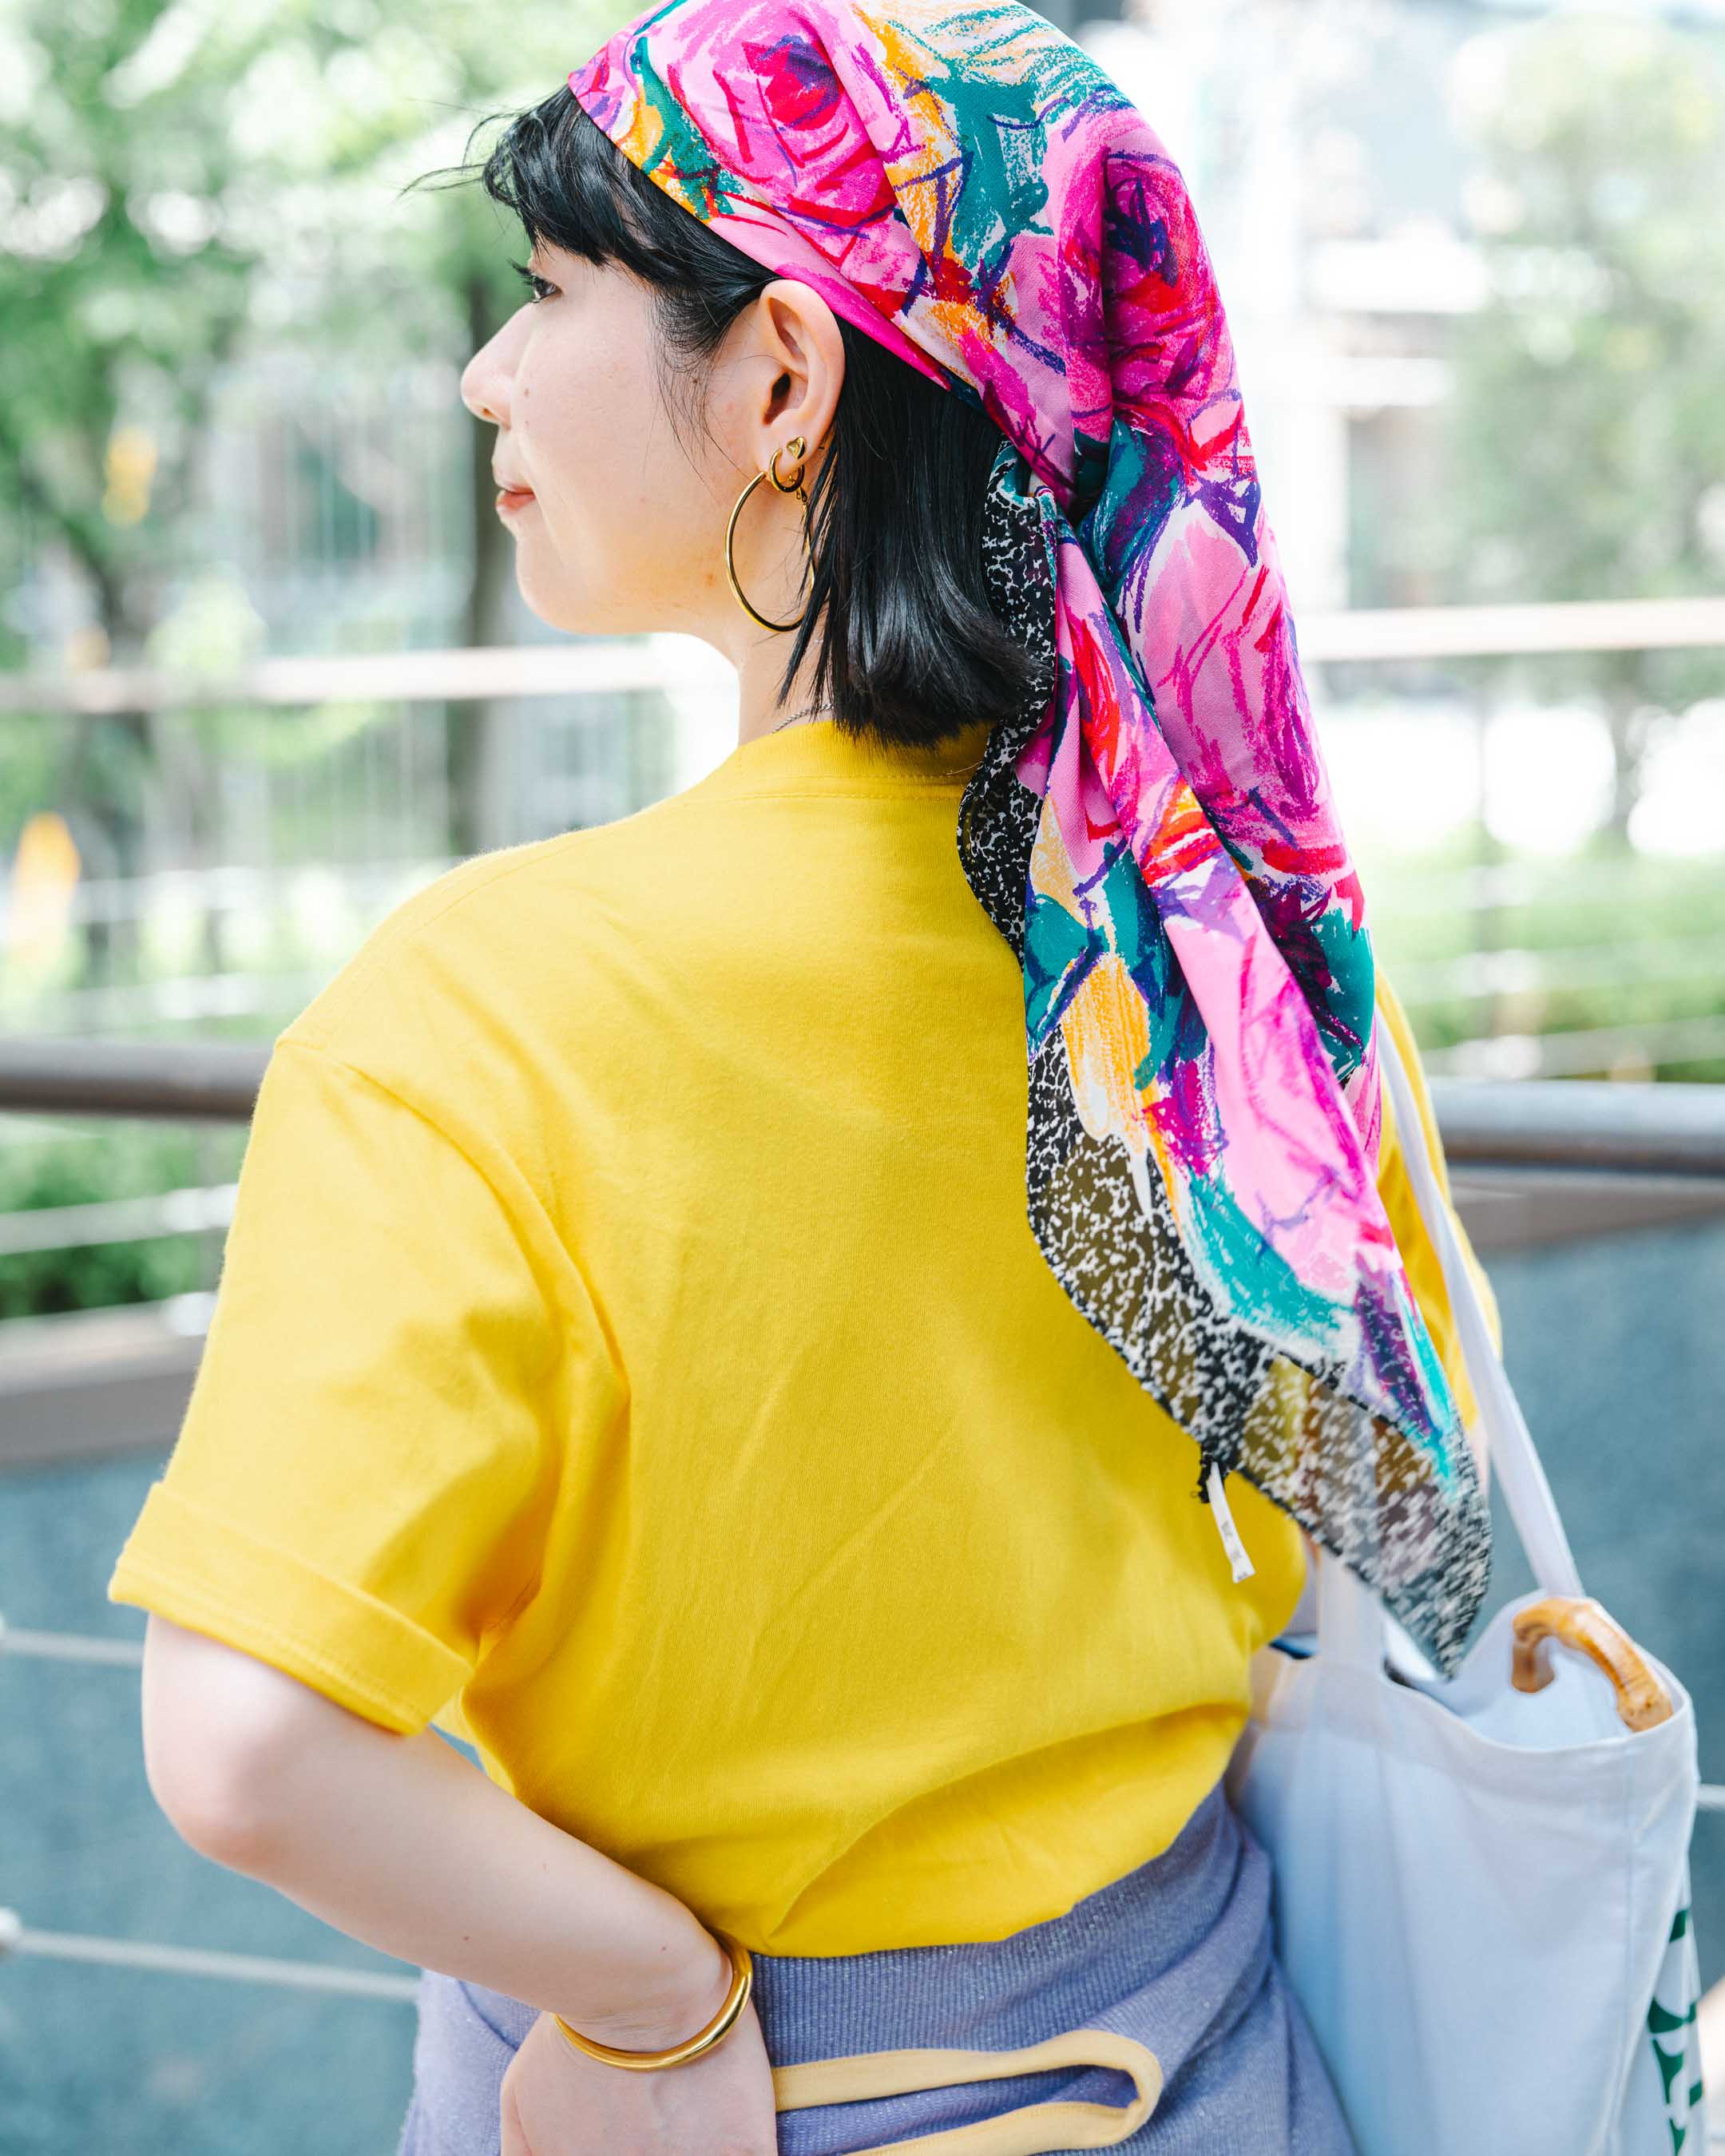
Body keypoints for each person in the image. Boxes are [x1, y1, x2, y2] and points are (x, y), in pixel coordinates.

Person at [108, 3, 1501, 2150]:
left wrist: (650, 1997)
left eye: (551, 289)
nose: (488, 370)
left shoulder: (481, 1015)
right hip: (1217, 2053)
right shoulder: (1215, 951)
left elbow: (244, 1748)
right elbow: (1374, 1500)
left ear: (781, 377)